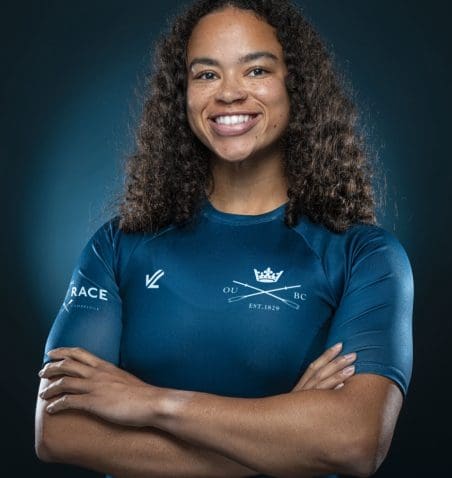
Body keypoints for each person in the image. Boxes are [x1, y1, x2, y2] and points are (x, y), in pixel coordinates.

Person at [35, 0, 414, 477]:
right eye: (207, 74)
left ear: (296, 85)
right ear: (183, 93)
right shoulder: (118, 245)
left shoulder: (364, 255)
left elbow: (355, 441)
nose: (229, 93)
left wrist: (152, 402)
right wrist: (284, 440)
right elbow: (60, 431)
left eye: (256, 70)